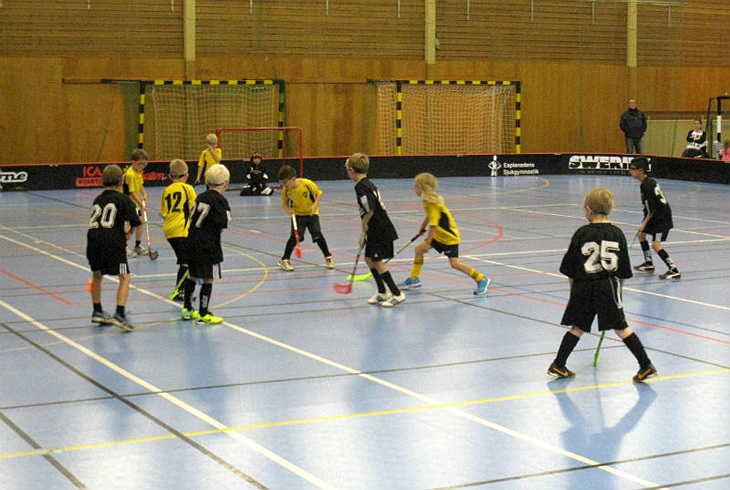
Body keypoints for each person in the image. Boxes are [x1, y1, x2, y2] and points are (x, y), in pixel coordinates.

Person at [547, 187, 657, 382]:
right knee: (621, 327)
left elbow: (570, 268)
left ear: (589, 210)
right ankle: (645, 365)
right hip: (607, 286)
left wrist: (574, 289)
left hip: (583, 286)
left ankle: (559, 363)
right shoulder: (617, 233)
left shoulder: (581, 233)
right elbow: (623, 270)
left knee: (578, 327)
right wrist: (619, 291)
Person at [398, 172, 490, 296]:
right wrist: (422, 227)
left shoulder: (431, 202)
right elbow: (430, 216)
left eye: (415, 186)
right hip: (438, 235)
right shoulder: (429, 200)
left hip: (449, 238)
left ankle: (481, 279)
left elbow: (434, 224)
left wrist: (428, 242)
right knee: (418, 249)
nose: (414, 188)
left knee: (455, 264)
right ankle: (414, 278)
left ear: (421, 187)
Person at [345, 153, 405, 307]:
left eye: (348, 171)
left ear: (352, 170)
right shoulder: (369, 184)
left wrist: (363, 229)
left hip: (380, 229)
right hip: (376, 227)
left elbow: (370, 209)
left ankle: (397, 294)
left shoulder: (361, 187)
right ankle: (382, 292)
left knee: (377, 261)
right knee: (368, 258)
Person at [86, 165, 141, 332]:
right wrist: (129, 232)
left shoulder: (98, 199)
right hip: (112, 241)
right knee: (124, 276)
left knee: (97, 275)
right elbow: (136, 221)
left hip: (93, 239)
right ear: (121, 181)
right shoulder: (123, 199)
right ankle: (120, 313)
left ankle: (97, 310)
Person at [181, 164, 231, 324]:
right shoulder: (220, 201)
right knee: (208, 278)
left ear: (207, 181)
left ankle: (187, 308)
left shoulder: (200, 197)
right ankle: (203, 313)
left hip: (191, 241)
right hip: (208, 245)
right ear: (226, 183)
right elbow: (225, 222)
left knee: (192, 275)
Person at [629, 157, 681, 280]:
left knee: (655, 244)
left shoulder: (646, 186)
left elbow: (651, 210)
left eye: (632, 169)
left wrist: (643, 224)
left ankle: (673, 269)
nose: (630, 171)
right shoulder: (649, 182)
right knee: (641, 235)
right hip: (655, 216)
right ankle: (648, 263)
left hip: (661, 219)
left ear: (640, 170)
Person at [277, 165, 334, 271]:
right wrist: (289, 212)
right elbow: (285, 203)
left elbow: (319, 193)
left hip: (312, 214)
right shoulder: (286, 190)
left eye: (285, 182)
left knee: (317, 235)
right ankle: (284, 260)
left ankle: (328, 257)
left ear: (293, 179)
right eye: (282, 182)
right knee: (295, 238)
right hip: (298, 215)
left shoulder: (306, 183)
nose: (284, 185)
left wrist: (315, 205)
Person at [160, 159, 197, 301]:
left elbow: (164, 213)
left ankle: (183, 289)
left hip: (168, 229)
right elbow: (193, 210)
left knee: (185, 259)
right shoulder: (188, 189)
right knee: (187, 261)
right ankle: (179, 291)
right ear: (186, 176)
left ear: (170, 176)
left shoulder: (166, 191)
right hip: (182, 230)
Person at [123, 149, 149, 257]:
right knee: (133, 224)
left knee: (140, 222)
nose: (142, 166)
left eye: (145, 164)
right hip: (127, 203)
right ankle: (123, 246)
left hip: (134, 204)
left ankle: (137, 246)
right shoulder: (130, 174)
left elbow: (140, 185)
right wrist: (141, 204)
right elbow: (132, 192)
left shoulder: (138, 172)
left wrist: (144, 194)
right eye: (140, 164)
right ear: (133, 162)